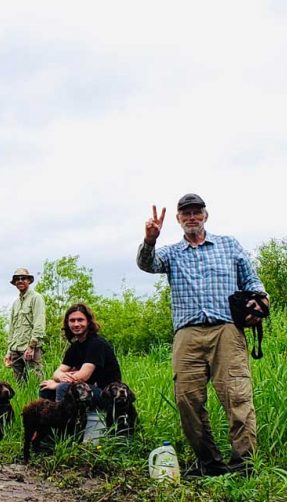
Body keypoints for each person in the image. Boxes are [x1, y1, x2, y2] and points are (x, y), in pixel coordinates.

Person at [137, 193, 268, 476]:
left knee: (238, 397)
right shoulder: (172, 253)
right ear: (178, 219)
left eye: (197, 212)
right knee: (187, 401)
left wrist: (259, 300)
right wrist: (150, 240)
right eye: (186, 213)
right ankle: (210, 465)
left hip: (227, 331)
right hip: (188, 333)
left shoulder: (228, 245)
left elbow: (253, 280)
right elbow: (147, 265)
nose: (192, 217)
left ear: (206, 215)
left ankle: (244, 467)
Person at [39, 303, 121, 406]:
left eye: (80, 320)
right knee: (45, 388)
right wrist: (61, 377)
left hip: (107, 393)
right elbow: (56, 373)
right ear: (67, 323)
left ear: (88, 322)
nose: (76, 324)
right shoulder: (74, 347)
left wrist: (58, 384)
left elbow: (82, 377)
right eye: (72, 321)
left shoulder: (97, 344)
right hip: (87, 388)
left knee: (62, 387)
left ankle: (62, 420)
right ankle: (47, 420)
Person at [4, 267, 46, 383]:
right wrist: (9, 352)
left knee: (36, 381)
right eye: (17, 279)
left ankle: (41, 401)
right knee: (19, 384)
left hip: (30, 348)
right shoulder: (15, 303)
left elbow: (39, 322)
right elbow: (12, 329)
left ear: (29, 280)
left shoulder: (36, 298)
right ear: (15, 283)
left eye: (23, 278)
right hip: (15, 349)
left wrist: (32, 346)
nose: (20, 281)